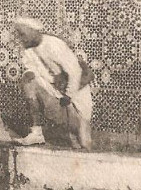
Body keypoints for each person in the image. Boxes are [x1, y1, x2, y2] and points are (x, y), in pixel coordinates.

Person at [11, 17, 94, 150]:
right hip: (55, 96)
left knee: (83, 143)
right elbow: (30, 68)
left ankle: (74, 129)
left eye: (22, 34)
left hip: (75, 97)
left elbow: (75, 72)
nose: (21, 39)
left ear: (33, 31)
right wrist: (28, 74)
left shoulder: (54, 44)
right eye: (19, 35)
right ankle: (36, 133)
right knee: (28, 82)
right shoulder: (27, 50)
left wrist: (68, 96)